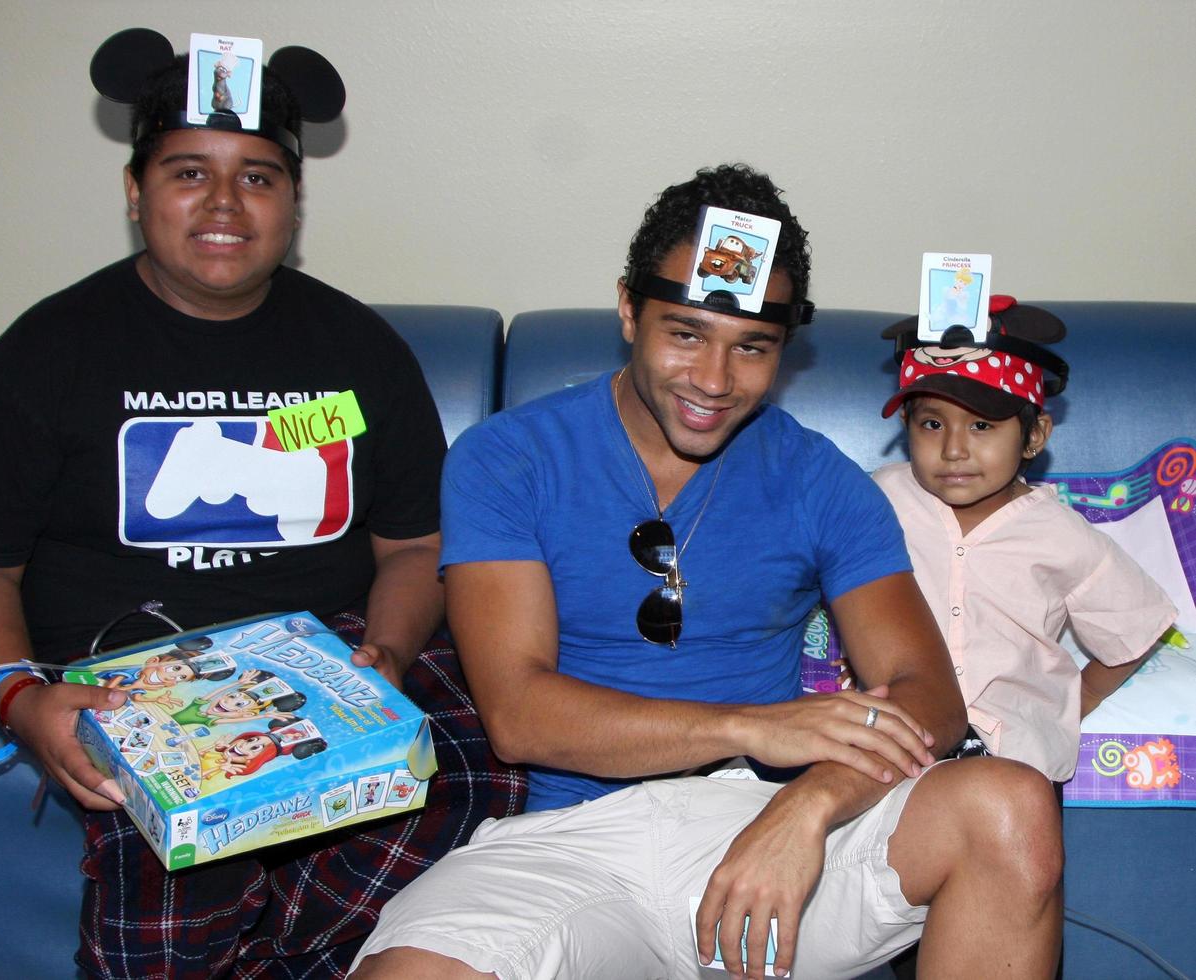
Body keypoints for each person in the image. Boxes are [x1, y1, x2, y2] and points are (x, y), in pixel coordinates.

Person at [350, 165, 1065, 980]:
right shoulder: (510, 458)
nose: (714, 382)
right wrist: (756, 727)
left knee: (1009, 803)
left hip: (771, 825)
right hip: (573, 843)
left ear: (784, 351)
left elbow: (927, 695)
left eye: (751, 348)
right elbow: (520, 713)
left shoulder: (816, 478)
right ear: (627, 308)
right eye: (684, 334)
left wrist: (808, 800)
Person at [0, 29, 523, 977]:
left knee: (485, 766)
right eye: (190, 171)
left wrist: (384, 656)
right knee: (184, 887)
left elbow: (412, 545)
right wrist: (21, 699)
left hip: (331, 646)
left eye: (259, 177)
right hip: (133, 675)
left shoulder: (356, 351)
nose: (225, 203)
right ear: (136, 191)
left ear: (295, 202)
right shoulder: (45, 353)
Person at [872, 296, 1177, 782]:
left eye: (982, 426)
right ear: (906, 427)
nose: (953, 449)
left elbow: (1135, 626)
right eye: (932, 424)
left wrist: (1074, 706)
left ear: (1034, 436)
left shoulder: (1060, 535)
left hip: (1010, 751)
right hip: (894, 734)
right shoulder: (881, 497)